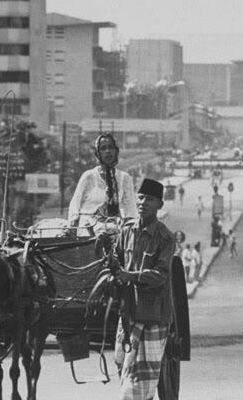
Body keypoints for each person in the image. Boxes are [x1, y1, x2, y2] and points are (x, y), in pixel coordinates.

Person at [111, 178, 174, 400]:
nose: (143, 202)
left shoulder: (165, 237)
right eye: (140, 197)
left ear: (159, 204)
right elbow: (116, 261)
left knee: (143, 379)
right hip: (128, 312)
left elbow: (162, 275)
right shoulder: (126, 231)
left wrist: (132, 276)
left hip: (153, 315)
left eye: (150, 199)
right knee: (124, 365)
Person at [68, 134, 136, 235]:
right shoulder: (89, 176)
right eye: (103, 148)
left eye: (111, 147)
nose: (108, 151)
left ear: (116, 151)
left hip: (114, 226)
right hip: (89, 226)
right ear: (98, 153)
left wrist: (130, 225)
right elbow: (75, 202)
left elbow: (130, 207)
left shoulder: (124, 178)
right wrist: (74, 219)